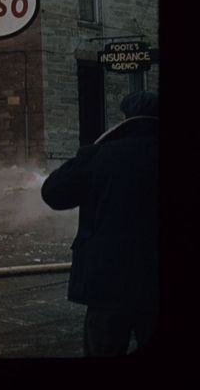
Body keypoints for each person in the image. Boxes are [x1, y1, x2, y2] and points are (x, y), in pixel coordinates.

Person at [41, 90, 159, 356]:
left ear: (126, 117)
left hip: (106, 282)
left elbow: (53, 193)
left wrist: (93, 150)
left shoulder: (100, 155)